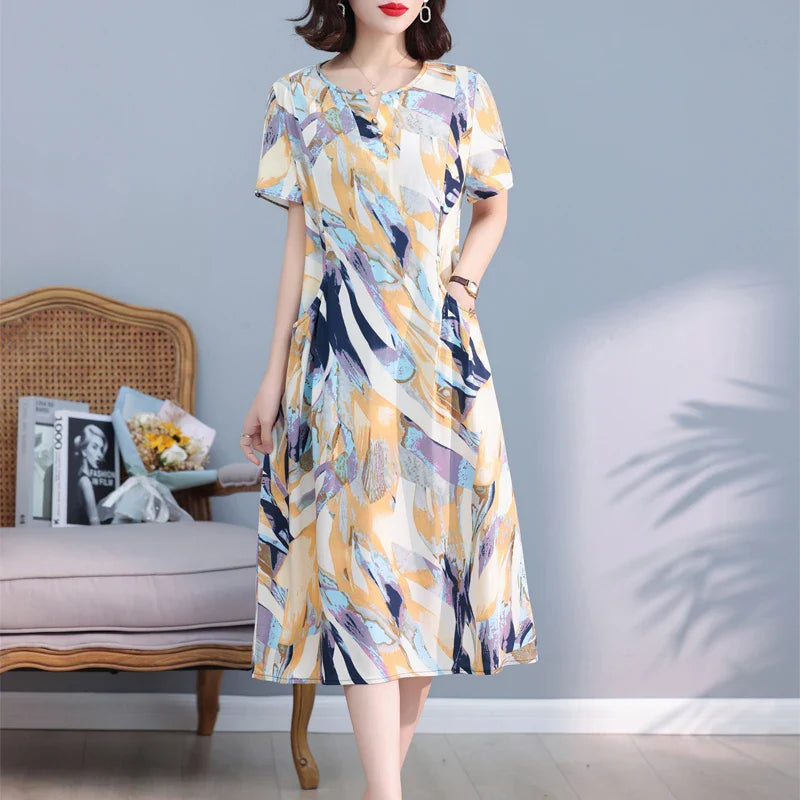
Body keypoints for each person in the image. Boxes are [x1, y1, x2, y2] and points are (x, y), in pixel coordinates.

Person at [241, 2, 538, 797]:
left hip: (441, 361)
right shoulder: (298, 97)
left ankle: (383, 789)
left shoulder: (462, 91)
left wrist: (461, 290)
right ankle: (386, 792)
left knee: (428, 577)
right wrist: (272, 378)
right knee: (362, 577)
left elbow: (493, 207)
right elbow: (300, 243)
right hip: (339, 362)